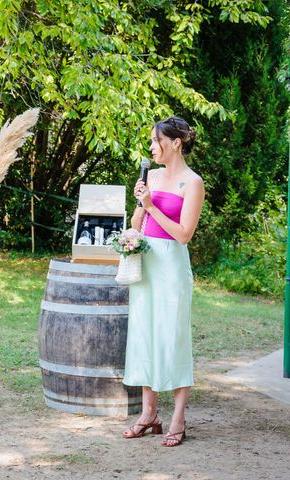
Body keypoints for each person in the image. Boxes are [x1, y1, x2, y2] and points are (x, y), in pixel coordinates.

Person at [122, 116, 205, 447]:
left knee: (172, 337)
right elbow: (137, 221)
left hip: (171, 266)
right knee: (145, 334)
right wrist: (140, 205)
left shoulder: (192, 182)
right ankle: (148, 415)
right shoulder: (151, 175)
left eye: (157, 141)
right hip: (148, 262)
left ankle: (178, 419)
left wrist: (152, 207)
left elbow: (184, 235)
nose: (152, 147)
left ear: (176, 143)